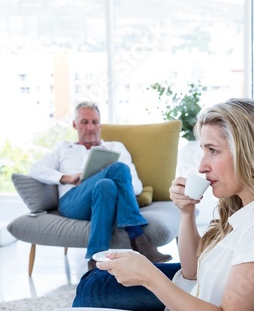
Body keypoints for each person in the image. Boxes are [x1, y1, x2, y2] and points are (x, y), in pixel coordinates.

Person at [72, 98, 254, 311]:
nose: (202, 167)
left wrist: (149, 276)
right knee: (94, 281)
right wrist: (186, 212)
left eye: (213, 151)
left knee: (91, 289)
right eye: (203, 151)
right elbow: (192, 271)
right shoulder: (248, 208)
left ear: (249, 152)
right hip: (190, 290)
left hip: (191, 307)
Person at [30, 101, 171, 270]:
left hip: (106, 200)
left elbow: (136, 187)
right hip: (73, 202)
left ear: (100, 125)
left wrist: (112, 178)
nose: (90, 127)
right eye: (84, 122)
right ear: (75, 125)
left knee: (106, 183)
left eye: (95, 122)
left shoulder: (115, 148)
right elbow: (35, 169)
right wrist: (65, 178)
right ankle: (137, 236)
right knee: (116, 169)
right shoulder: (63, 149)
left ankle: (95, 258)